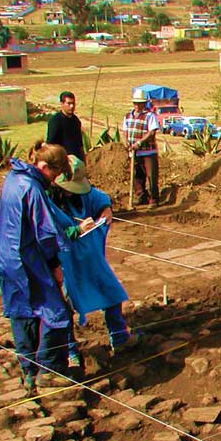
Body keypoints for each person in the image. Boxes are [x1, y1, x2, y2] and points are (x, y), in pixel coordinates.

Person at [0, 142, 79, 393]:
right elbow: (44, 232)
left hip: (8, 257)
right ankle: (51, 371)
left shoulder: (13, 178)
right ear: (43, 166)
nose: (54, 181)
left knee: (23, 312)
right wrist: (55, 265)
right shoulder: (31, 188)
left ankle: (29, 371)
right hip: (29, 260)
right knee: (57, 313)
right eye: (53, 175)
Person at [48, 156, 136, 364]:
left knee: (111, 292)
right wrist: (76, 230)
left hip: (91, 257)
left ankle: (119, 336)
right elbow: (48, 232)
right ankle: (70, 350)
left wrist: (106, 210)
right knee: (65, 305)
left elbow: (100, 198)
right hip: (65, 262)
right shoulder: (46, 201)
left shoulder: (84, 196)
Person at [122, 92, 160, 206]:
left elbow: (152, 132)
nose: (137, 106)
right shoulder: (128, 116)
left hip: (148, 151)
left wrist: (139, 142)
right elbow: (124, 132)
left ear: (144, 104)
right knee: (137, 176)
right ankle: (141, 196)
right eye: (136, 103)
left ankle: (154, 199)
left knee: (151, 175)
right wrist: (126, 143)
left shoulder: (150, 115)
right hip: (134, 152)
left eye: (140, 103)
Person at [45, 91, 85, 161]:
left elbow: (80, 144)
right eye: (69, 103)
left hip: (76, 161)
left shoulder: (76, 121)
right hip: (62, 161)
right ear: (62, 104)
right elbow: (50, 144)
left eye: (73, 103)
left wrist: (83, 161)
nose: (72, 106)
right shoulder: (55, 121)